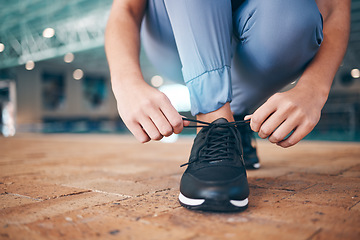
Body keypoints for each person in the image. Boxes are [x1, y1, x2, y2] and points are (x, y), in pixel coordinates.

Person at [105, 0, 350, 212]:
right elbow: (126, 7)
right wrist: (126, 82)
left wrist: (314, 89)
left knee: (297, 15)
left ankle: (234, 120)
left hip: (261, 43)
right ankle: (215, 120)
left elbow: (332, 7)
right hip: (175, 38)